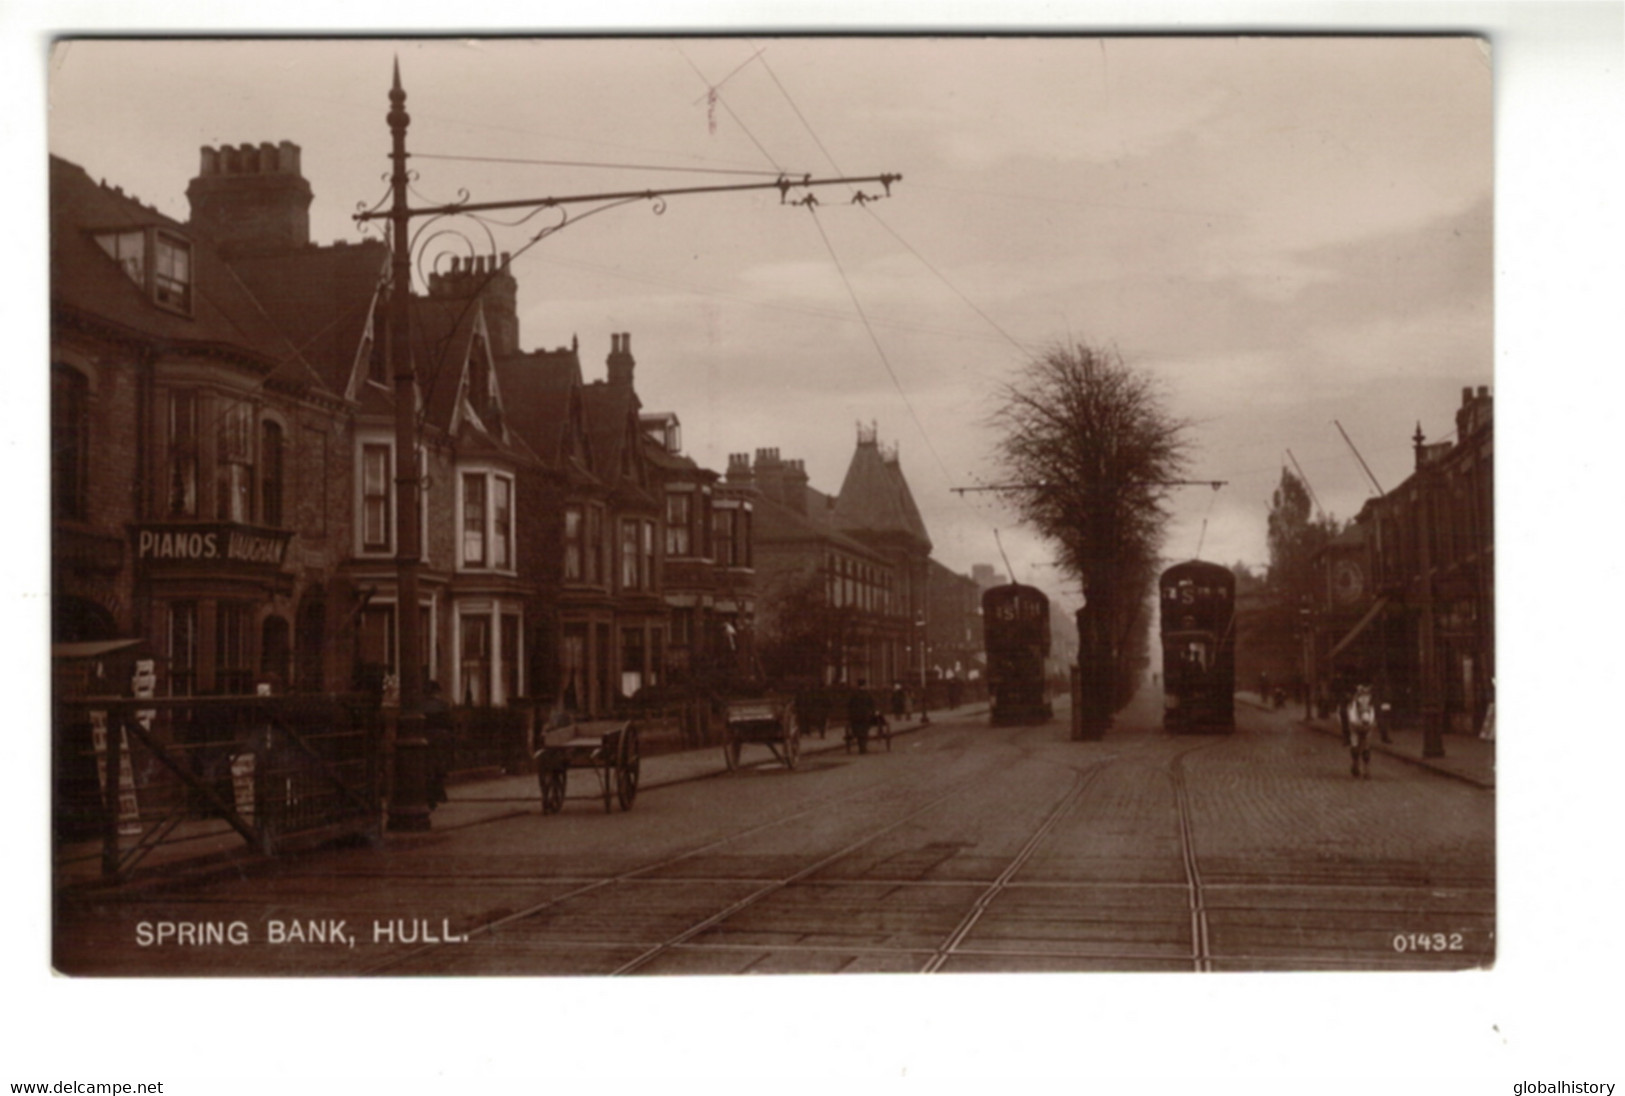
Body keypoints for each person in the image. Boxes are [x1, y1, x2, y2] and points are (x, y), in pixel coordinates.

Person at [422, 680, 454, 806]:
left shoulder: (421, 705)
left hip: (425, 738)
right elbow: (449, 723)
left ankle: (431, 794)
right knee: (439, 766)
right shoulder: (443, 705)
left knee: (428, 767)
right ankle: (437, 793)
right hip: (441, 738)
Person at [1347, 683, 1376, 779]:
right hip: (1355, 724)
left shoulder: (1369, 700)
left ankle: (1366, 769)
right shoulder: (1356, 701)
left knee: (1366, 746)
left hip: (1367, 719)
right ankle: (1355, 764)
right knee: (1355, 744)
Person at [847, 679, 878, 755]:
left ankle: (861, 747)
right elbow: (872, 704)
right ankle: (863, 747)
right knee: (864, 731)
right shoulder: (867, 694)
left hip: (856, 716)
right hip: (865, 715)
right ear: (864, 685)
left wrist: (851, 714)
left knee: (858, 731)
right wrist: (873, 712)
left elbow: (850, 705)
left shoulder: (854, 694)